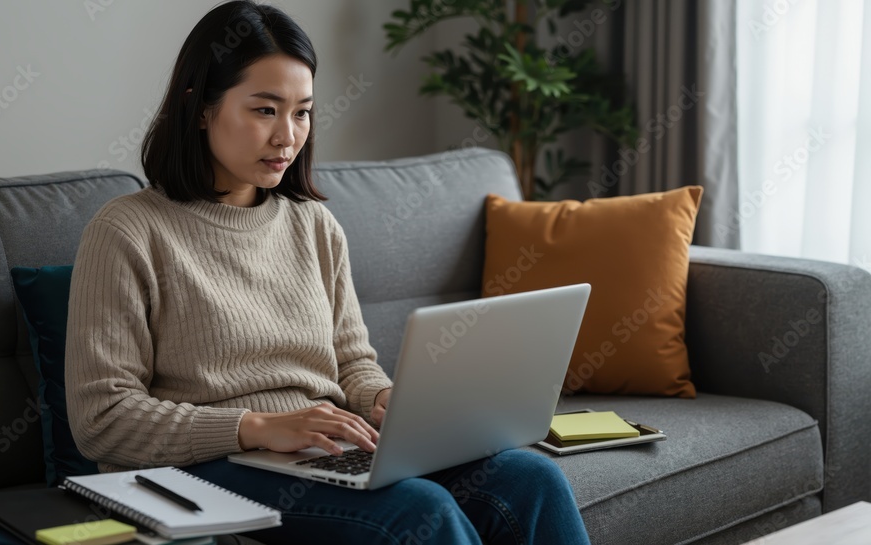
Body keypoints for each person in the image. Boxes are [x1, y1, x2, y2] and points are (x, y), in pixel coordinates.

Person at [64, 1, 591, 543]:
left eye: (303, 111)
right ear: (200, 107)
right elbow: (102, 418)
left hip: (321, 450)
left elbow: (352, 362)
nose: (287, 137)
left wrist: (386, 402)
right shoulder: (127, 231)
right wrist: (257, 428)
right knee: (418, 510)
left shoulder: (313, 224)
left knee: (531, 478)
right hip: (204, 469)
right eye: (265, 110)